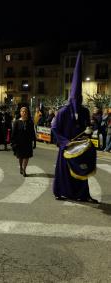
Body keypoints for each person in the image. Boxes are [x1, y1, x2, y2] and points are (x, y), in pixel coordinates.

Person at [52, 52, 97, 202]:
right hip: (67, 147)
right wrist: (65, 142)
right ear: (70, 98)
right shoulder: (63, 112)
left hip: (80, 148)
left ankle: (83, 194)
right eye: (75, 98)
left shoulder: (84, 111)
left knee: (82, 170)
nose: (77, 100)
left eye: (79, 98)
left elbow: (87, 126)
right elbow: (55, 129)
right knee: (65, 172)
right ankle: (61, 192)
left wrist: (89, 131)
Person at [11, 107, 36, 177]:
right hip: (19, 142)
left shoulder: (30, 122)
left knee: (26, 156)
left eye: (25, 112)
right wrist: (13, 142)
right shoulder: (16, 122)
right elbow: (13, 133)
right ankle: (21, 167)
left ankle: (24, 169)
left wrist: (34, 142)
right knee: (20, 157)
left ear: (27, 113)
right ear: (20, 113)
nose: (24, 113)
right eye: (23, 112)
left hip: (27, 142)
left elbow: (32, 132)